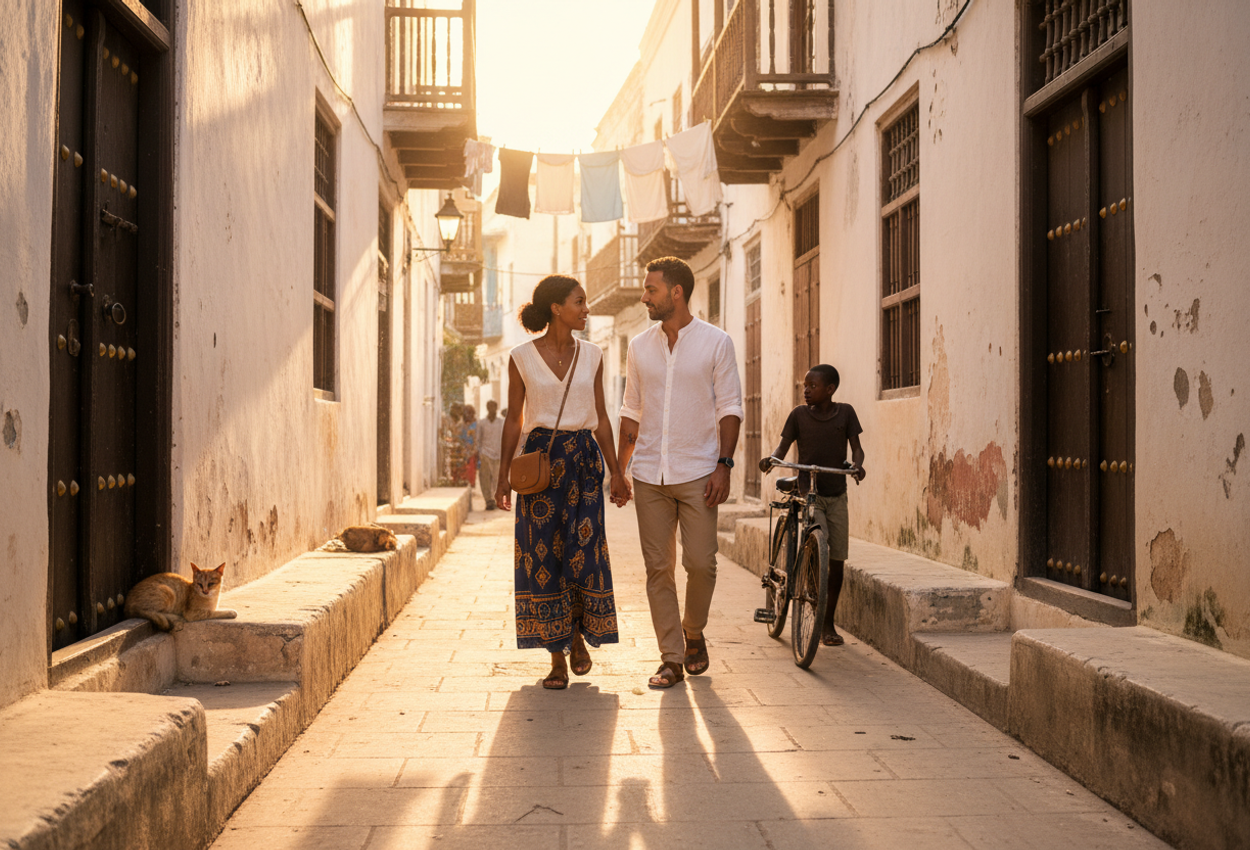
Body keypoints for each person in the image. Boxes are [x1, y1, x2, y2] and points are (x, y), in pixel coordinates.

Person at [495, 275, 630, 690]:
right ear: (556, 308)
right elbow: (514, 417)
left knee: (584, 554)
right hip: (540, 466)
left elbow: (602, 416)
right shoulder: (520, 356)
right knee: (543, 559)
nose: (586, 309)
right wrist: (502, 475)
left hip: (584, 462)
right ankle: (556, 657)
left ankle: (578, 633)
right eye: (579, 302)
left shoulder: (593, 355)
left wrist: (616, 471)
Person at [617, 256, 744, 689]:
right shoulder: (638, 346)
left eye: (650, 289)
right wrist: (621, 469)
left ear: (676, 292)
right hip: (651, 471)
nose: (643, 296)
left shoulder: (716, 343)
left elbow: (730, 407)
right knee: (658, 568)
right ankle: (671, 657)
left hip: (698, 470)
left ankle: (694, 630)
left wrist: (724, 465)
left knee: (701, 564)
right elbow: (631, 410)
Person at [760, 364, 866, 646]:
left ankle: (827, 622)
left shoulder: (845, 413)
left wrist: (857, 465)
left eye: (812, 386)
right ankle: (811, 587)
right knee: (819, 539)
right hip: (810, 492)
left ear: (829, 390)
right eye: (804, 386)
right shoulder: (798, 416)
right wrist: (771, 460)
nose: (806, 390)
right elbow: (782, 449)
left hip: (837, 492)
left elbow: (856, 446)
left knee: (838, 559)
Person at [477, 401, 505, 509]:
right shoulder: (482, 423)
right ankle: (488, 500)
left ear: (496, 408)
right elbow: (478, 439)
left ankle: (496, 499)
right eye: (489, 406)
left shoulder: (501, 422)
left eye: (494, 406)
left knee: (497, 478)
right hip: (485, 454)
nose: (491, 408)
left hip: (498, 454)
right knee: (485, 478)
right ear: (487, 407)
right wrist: (479, 453)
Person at [454, 405, 478, 487]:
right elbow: (458, 436)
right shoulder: (461, 425)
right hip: (462, 450)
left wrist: (474, 448)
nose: (467, 415)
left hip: (472, 451)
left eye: (469, 413)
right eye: (465, 413)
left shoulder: (476, 425)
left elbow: (477, 439)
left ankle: (471, 483)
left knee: (471, 468)